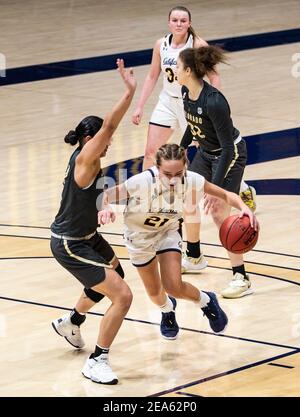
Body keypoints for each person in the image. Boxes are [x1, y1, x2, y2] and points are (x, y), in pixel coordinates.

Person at [98, 144, 259, 339]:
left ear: (186, 167)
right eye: (167, 174)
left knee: (173, 286)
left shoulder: (193, 180)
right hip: (139, 238)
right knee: (155, 294)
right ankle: (167, 310)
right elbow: (105, 195)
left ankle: (207, 301)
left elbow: (225, 194)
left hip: (167, 232)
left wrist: (243, 207)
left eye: (178, 173)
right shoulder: (142, 181)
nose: (173, 180)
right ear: (157, 168)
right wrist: (104, 208)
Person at [50, 59, 137, 385]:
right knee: (124, 296)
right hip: (71, 243)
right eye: (100, 135)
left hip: (87, 234)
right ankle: (97, 361)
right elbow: (111, 126)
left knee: (116, 272)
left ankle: (71, 321)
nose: (109, 140)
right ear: (90, 138)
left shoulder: (90, 162)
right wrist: (129, 93)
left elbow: (92, 197)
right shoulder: (86, 157)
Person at [131, 5, 256, 211]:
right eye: (175, 20)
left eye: (183, 20)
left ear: (189, 23)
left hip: (191, 103)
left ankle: (242, 188)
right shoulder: (160, 44)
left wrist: (210, 104)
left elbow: (214, 77)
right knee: (150, 152)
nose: (179, 24)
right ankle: (147, 199)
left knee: (207, 152)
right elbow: (153, 75)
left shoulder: (197, 44)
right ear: (168, 22)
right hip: (167, 100)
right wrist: (139, 106)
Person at [177, 46, 256, 298]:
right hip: (207, 153)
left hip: (229, 154)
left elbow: (227, 149)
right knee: (188, 199)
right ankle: (194, 256)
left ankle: (240, 276)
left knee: (220, 214)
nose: (174, 71)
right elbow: (193, 124)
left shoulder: (214, 101)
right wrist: (180, 150)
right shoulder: (185, 91)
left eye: (178, 67)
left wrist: (216, 189)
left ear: (188, 70)